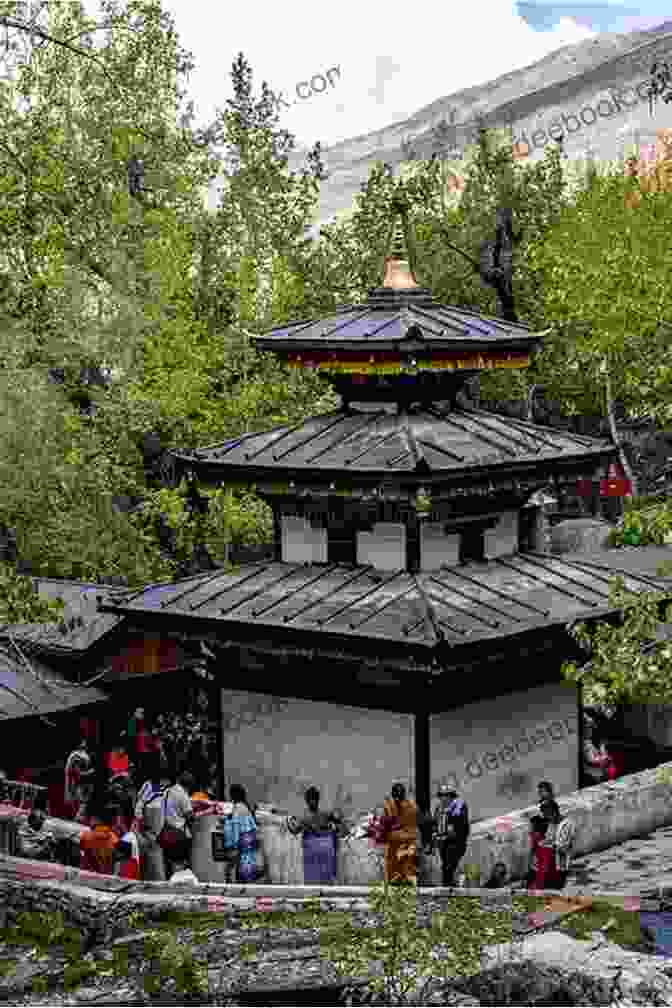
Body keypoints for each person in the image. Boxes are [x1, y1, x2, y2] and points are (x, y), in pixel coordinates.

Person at [287, 786, 342, 884]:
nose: (312, 802)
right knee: (324, 877)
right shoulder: (324, 814)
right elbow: (338, 820)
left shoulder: (304, 817)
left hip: (316, 851)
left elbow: (294, 830)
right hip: (323, 849)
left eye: (314, 799)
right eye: (311, 799)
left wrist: (289, 822)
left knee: (314, 878)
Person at [133, 755, 168, 882]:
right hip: (147, 833)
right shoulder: (147, 786)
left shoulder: (165, 788)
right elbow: (138, 810)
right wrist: (141, 827)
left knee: (157, 865)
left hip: (158, 834)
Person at [432, 784, 470, 888]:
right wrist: (435, 833)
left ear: (451, 796)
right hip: (443, 842)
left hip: (456, 842)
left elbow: (459, 823)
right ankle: (448, 887)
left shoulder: (459, 805)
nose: (443, 798)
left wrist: (449, 833)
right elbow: (435, 823)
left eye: (446, 795)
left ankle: (450, 887)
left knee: (449, 865)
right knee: (445, 866)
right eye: (441, 795)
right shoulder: (439, 808)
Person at [160, 769, 195, 877]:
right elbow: (190, 816)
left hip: (165, 833)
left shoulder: (167, 791)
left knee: (168, 865)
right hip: (179, 835)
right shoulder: (182, 794)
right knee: (180, 865)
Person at [383, 781, 418, 885]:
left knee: (398, 872)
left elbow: (385, 824)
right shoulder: (413, 807)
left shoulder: (389, 806)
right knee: (405, 870)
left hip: (398, 843)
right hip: (406, 842)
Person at [222, 785, 258, 883]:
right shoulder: (246, 807)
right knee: (244, 871)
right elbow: (253, 827)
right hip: (248, 842)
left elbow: (234, 828)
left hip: (240, 842)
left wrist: (232, 845)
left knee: (230, 872)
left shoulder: (236, 809)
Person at [541, 799, 575, 889]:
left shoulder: (567, 824)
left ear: (554, 812)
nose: (546, 818)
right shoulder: (551, 823)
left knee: (557, 887)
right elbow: (548, 838)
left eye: (547, 815)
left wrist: (548, 845)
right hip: (550, 863)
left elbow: (563, 845)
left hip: (561, 864)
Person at [79, 803, 121, 875]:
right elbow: (119, 866)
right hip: (108, 880)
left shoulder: (85, 836)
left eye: (91, 818)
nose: (90, 821)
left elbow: (82, 858)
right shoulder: (116, 839)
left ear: (97, 819)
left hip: (88, 877)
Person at [64, 739, 94, 819]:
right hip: (76, 782)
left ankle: (76, 817)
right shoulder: (77, 755)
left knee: (81, 801)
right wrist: (91, 772)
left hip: (77, 782)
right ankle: (76, 817)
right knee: (80, 800)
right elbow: (77, 772)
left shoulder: (79, 755)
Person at [527, 814, 557, 890]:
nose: (530, 830)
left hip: (542, 877)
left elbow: (543, 868)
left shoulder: (543, 846)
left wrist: (537, 885)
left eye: (532, 827)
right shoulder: (537, 838)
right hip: (537, 871)